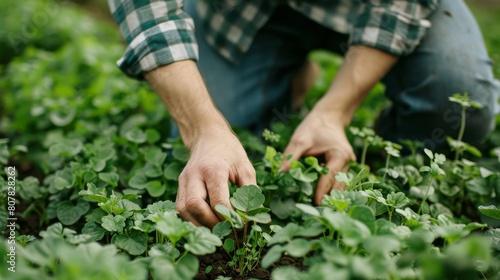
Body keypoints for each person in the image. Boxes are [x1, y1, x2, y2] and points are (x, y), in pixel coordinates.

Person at [107, 0, 499, 228]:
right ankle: (291, 75)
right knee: (215, 156)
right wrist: (203, 128)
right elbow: (146, 9)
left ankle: (383, 153)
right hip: (246, 12)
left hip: (369, 6)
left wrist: (337, 110)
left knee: (459, 107)